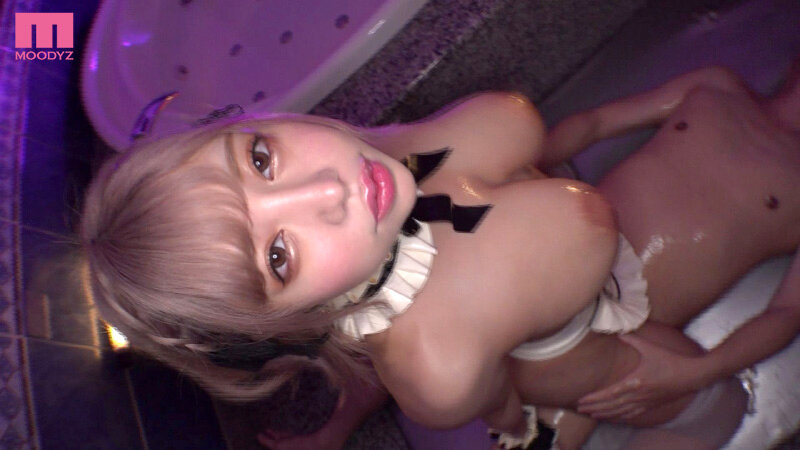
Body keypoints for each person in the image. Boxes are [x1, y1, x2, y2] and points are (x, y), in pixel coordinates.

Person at [80, 61, 800, 449]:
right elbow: (478, 383)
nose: (326, 188)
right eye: (278, 257)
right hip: (575, 364)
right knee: (716, 410)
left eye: (261, 159)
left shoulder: (394, 170)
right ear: (291, 318)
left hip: (533, 308)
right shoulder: (439, 365)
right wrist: (523, 420)